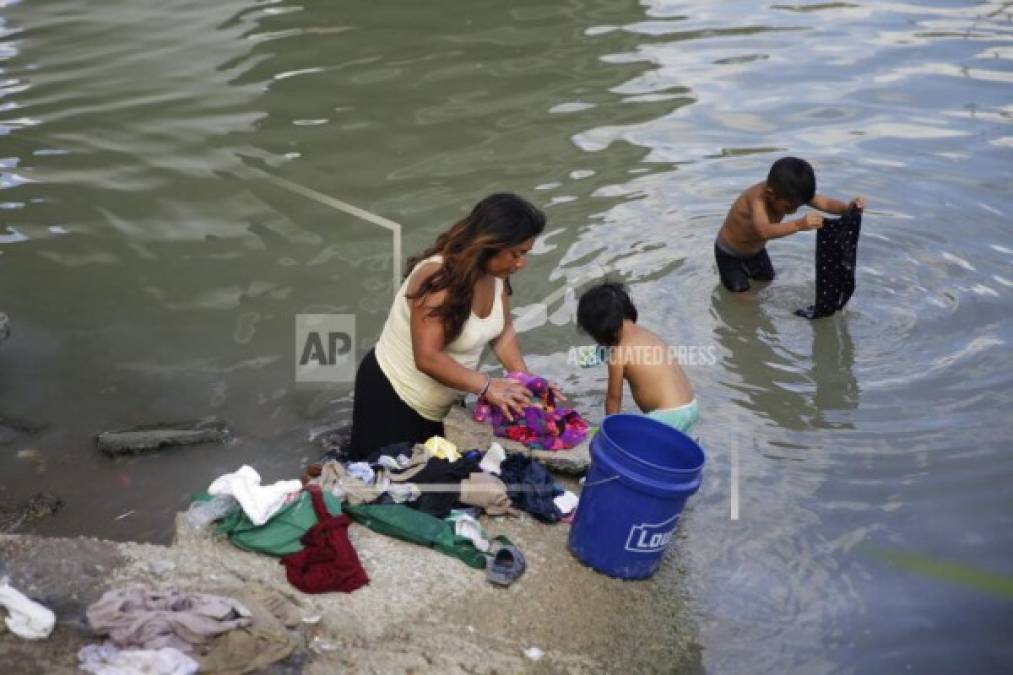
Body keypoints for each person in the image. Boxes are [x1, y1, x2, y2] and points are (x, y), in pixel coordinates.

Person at [348, 193, 557, 460]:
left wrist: (527, 385)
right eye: (516, 254)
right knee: (376, 481)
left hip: (441, 404)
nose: (521, 263)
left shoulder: (496, 276)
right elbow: (427, 357)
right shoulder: (438, 279)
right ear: (489, 245)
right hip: (394, 396)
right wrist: (488, 386)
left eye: (525, 254)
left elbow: (502, 332)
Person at [715, 156, 866, 292]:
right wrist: (799, 225)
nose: (793, 211)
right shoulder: (757, 200)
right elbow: (764, 231)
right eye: (788, 207)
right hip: (730, 254)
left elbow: (825, 203)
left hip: (756, 252)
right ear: (770, 193)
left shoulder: (789, 193)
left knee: (766, 282)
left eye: (798, 206)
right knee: (743, 298)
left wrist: (848, 208)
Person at [576, 282, 698, 433]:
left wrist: (609, 432)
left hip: (666, 417)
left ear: (600, 331)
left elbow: (614, 399)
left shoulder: (618, 354)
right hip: (690, 406)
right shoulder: (648, 335)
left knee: (634, 443)